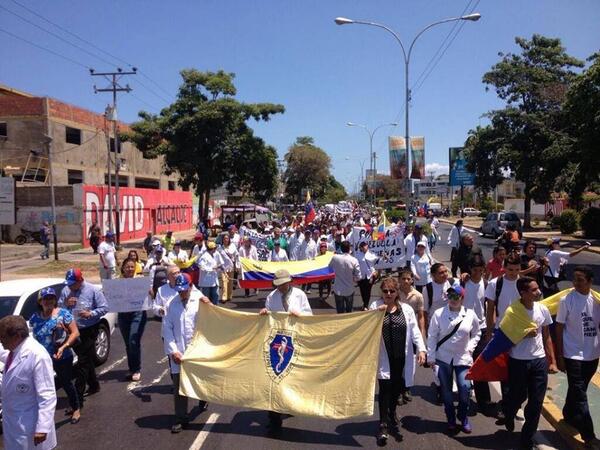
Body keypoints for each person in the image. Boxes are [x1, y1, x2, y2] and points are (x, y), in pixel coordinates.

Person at [502, 277, 558, 450]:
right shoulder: (512, 312)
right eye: (533, 290)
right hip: (518, 362)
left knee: (536, 402)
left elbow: (547, 335)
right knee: (518, 396)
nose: (538, 292)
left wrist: (552, 361)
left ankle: (526, 438)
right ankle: (509, 413)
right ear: (523, 293)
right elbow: (506, 335)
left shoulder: (543, 309)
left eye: (537, 288)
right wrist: (523, 335)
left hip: (539, 361)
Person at [369, 277, 427, 446]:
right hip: (383, 357)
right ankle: (383, 425)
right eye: (385, 291)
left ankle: (392, 412)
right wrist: (374, 314)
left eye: (391, 291)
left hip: (401, 358)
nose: (388, 294)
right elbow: (365, 325)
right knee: (385, 390)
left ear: (397, 293)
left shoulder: (407, 310)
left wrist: (422, 349)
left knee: (396, 389)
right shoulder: (376, 307)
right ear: (381, 291)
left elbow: (415, 331)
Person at [259, 269, 312, 434]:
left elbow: (310, 316)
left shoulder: (299, 295)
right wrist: (263, 314)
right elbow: (267, 318)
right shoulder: (271, 297)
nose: (281, 287)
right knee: (274, 377)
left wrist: (300, 315)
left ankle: (288, 403)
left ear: (289, 282)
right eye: (278, 284)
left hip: (294, 341)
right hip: (276, 342)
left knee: (290, 376)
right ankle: (274, 418)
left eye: (283, 283)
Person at [555, 266, 600, 449]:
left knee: (578, 390)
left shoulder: (596, 301)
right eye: (574, 279)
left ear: (590, 282)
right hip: (573, 354)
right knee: (581, 395)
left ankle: (568, 413)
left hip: (592, 354)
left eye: (580, 280)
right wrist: (559, 355)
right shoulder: (566, 300)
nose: (576, 283)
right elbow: (559, 327)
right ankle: (589, 436)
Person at [427, 285, 480, 434]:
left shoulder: (470, 314)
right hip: (443, 358)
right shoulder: (438, 314)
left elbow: (477, 332)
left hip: (463, 357)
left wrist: (470, 347)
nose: (453, 300)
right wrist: (431, 357)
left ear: (462, 298)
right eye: (450, 296)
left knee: (465, 389)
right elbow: (432, 336)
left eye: (456, 297)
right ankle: (450, 418)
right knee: (447, 392)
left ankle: (463, 417)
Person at [0, 315, 57, 450]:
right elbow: (3, 354)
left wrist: (42, 428)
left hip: (30, 426)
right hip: (14, 422)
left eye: (2, 336)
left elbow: (47, 395)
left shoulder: (37, 355)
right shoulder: (15, 350)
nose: (0, 340)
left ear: (17, 336)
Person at [162, 274, 210, 433]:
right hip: (179, 353)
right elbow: (167, 329)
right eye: (179, 291)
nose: (182, 293)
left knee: (200, 380)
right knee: (179, 387)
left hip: (197, 350)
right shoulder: (171, 304)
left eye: (184, 290)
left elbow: (212, 321)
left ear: (191, 287)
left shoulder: (200, 301)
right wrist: (173, 351)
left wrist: (209, 305)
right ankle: (180, 418)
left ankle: (203, 398)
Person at [29, 287, 81, 424]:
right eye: (45, 299)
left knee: (66, 383)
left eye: (51, 298)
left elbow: (75, 333)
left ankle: (76, 408)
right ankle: (43, 414)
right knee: (43, 386)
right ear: (40, 301)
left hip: (62, 356)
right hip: (42, 358)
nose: (48, 301)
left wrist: (64, 347)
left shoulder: (63, 314)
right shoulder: (34, 318)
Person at [58, 268, 108, 405]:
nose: (70, 286)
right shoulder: (66, 291)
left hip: (89, 329)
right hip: (72, 329)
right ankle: (94, 385)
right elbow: (59, 308)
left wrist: (90, 313)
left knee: (82, 362)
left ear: (80, 280)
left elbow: (104, 308)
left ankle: (77, 397)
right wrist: (65, 304)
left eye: (73, 283)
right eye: (68, 283)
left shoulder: (93, 290)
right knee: (86, 358)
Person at [462, 257, 492, 415]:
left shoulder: (487, 285)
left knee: (480, 365)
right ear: (470, 269)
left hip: (480, 329)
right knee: (463, 363)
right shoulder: (462, 283)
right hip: (463, 329)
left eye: (481, 270)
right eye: (475, 270)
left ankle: (484, 401)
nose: (478, 273)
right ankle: (460, 393)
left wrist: (489, 331)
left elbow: (490, 308)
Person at [118, 258, 147, 382]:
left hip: (137, 313)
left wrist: (150, 292)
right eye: (127, 267)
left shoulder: (140, 280)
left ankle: (136, 369)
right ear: (123, 268)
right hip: (123, 315)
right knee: (128, 344)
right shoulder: (117, 282)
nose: (130, 269)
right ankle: (131, 368)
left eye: (132, 267)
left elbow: (149, 294)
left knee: (133, 340)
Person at [328, 240, 361, 313]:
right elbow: (359, 276)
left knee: (340, 312)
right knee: (349, 312)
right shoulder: (354, 260)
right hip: (349, 289)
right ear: (349, 249)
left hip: (338, 289)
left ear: (341, 248)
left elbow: (329, 267)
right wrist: (353, 278)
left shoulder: (335, 258)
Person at [356, 241, 378, 310]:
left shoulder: (372, 254)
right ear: (360, 248)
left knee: (368, 290)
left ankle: (366, 305)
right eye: (363, 246)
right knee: (362, 290)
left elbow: (378, 262)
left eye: (366, 246)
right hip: (361, 275)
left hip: (370, 275)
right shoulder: (357, 255)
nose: (365, 247)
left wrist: (376, 272)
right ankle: (364, 302)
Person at [218, 234, 238, 303]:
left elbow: (236, 256)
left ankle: (229, 295)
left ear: (229, 239)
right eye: (224, 239)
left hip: (231, 266)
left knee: (230, 282)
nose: (225, 240)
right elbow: (218, 257)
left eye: (227, 238)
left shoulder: (232, 246)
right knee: (224, 281)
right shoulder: (220, 248)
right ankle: (224, 297)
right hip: (224, 267)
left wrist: (237, 265)